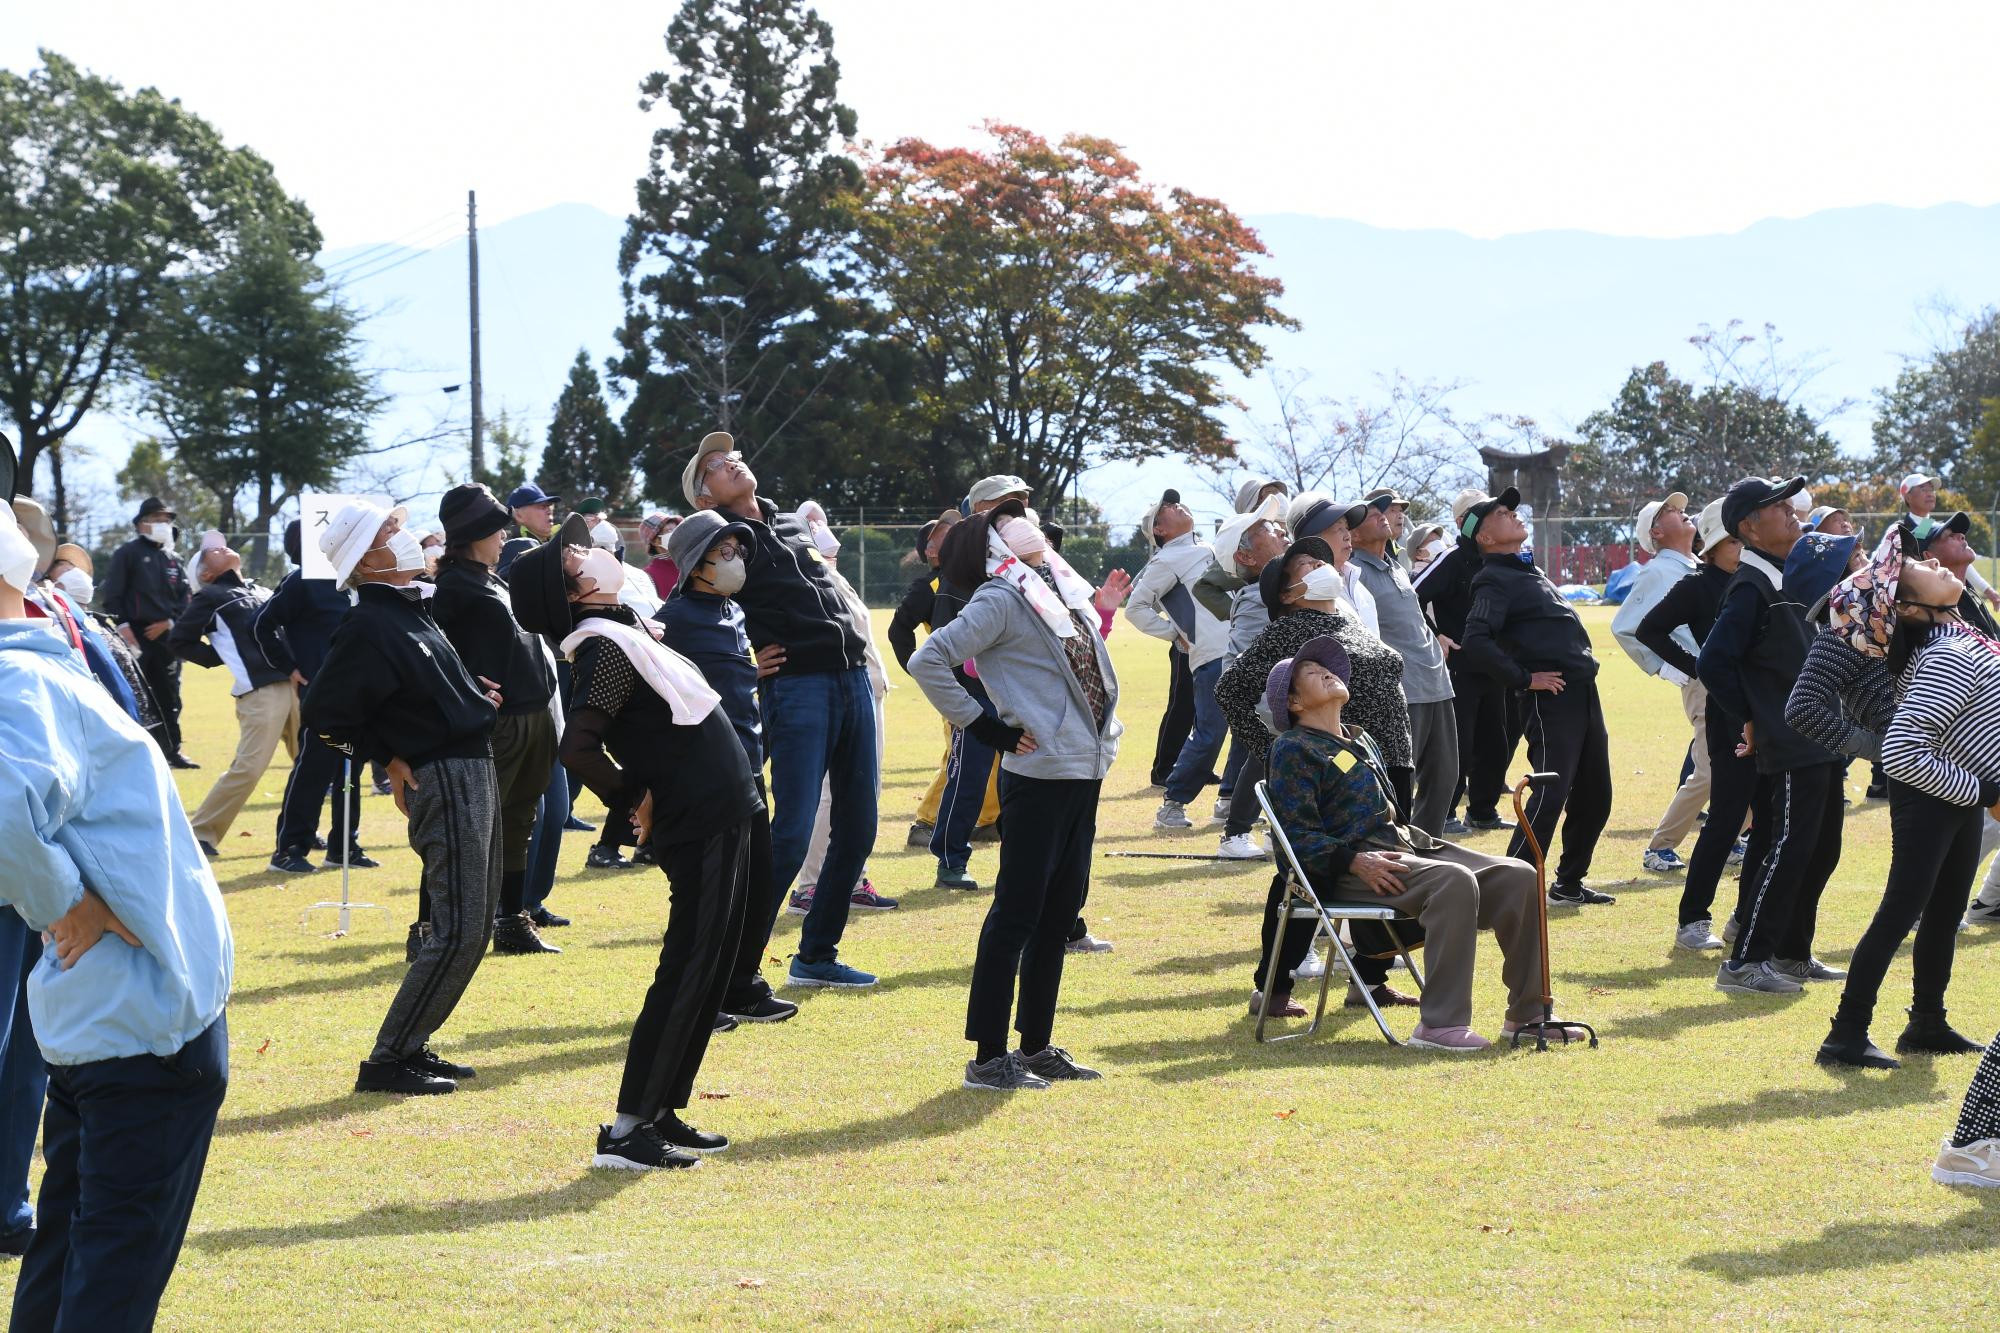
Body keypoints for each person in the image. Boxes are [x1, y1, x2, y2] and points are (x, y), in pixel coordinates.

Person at [0, 504, 233, 1330]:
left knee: (68, 1246)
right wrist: (67, 903)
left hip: (100, 1018)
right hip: (142, 1024)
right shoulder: (21, 677)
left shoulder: (27, 668)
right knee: (111, 1272)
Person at [507, 521, 754, 1168]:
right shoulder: (604, 649)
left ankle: (663, 1109)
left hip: (721, 808)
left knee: (710, 969)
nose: (590, 551)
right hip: (696, 816)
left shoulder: (621, 631)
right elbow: (578, 745)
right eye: (577, 553)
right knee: (687, 968)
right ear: (582, 588)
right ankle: (625, 1130)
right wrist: (630, 798)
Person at [1257, 634, 1576, 1048]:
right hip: (1349, 867)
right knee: (1453, 880)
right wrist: (1355, 862)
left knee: (1519, 874)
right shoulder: (1293, 748)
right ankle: (1439, 1026)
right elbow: (1295, 840)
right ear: (1295, 704)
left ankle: (1528, 1015)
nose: (1328, 673)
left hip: (1406, 847)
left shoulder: (1360, 738)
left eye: (1328, 668)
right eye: (1313, 674)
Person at [909, 505, 1121, 1091]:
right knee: (1018, 915)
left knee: (1058, 914)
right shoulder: (1001, 597)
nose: (1025, 523)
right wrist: (987, 728)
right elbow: (928, 660)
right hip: (1039, 774)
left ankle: (1035, 1046)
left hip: (1083, 768)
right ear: (992, 547)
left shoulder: (1060, 591)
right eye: (1009, 521)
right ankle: (988, 1056)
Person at [301, 501, 502, 1094]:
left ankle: (410, 1045)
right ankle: (387, 1059)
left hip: (471, 766)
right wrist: (386, 756)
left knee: (472, 925)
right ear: (367, 558)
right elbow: (325, 714)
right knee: (460, 927)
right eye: (391, 532)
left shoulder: (409, 609)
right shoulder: (368, 622)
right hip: (446, 777)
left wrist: (469, 692)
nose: (406, 536)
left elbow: (412, 690)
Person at [684, 431, 877, 988]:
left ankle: (816, 955)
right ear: (704, 498)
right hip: (798, 688)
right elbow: (691, 615)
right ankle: (733, 969)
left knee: (859, 826)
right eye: (716, 466)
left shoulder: (790, 521)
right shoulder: (722, 542)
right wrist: (747, 659)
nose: (733, 462)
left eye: (734, 455)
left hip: (851, 678)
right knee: (790, 831)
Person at [1806, 539, 1989, 1069]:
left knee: (1948, 906)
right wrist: (1981, 789)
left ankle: (1927, 1021)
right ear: (1905, 605)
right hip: (1930, 785)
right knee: (1900, 911)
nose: (1934, 561)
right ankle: (1845, 1036)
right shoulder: (1927, 647)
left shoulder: (1953, 627)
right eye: (1918, 567)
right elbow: (1896, 745)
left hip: (1956, 779)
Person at [1217, 535, 1420, 1009]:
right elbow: (1231, 690)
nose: (1320, 566)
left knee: (1385, 864)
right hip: (1332, 771)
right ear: (1288, 594)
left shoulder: (1344, 619)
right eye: (1305, 566)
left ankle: (1369, 980)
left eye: (1319, 561)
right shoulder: (1291, 631)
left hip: (1384, 759)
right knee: (1307, 873)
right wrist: (1277, 750)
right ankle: (1273, 986)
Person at [1698, 476, 1845, 995]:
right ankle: (1744, 964)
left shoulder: (1790, 578)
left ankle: (1791, 954)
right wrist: (1750, 717)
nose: (1792, 512)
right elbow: (1714, 662)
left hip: (1823, 734)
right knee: (1787, 848)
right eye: (1778, 507)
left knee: (1822, 849)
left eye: (1790, 504)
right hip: (1789, 740)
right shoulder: (1751, 584)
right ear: (1748, 526)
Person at [657, 511, 799, 1027]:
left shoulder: (732, 613)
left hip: (747, 768)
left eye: (740, 550)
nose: (736, 559)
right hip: (705, 777)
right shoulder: (670, 622)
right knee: (714, 897)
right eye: (725, 552)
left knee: (758, 886)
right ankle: (699, 996)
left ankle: (740, 986)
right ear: (696, 564)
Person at [1455, 488, 1615, 906]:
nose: (1513, 515)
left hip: (1581, 692)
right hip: (1550, 700)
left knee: (1597, 795)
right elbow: (1476, 640)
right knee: (1549, 794)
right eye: (1502, 514)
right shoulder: (1493, 577)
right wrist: (1524, 679)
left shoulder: (1526, 570)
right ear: (1485, 538)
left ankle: (1567, 883)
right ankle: (1509, 890)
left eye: (1511, 510)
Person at [431, 483, 563, 957]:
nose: (505, 534)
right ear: (474, 534)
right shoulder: (451, 587)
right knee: (469, 827)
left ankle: (510, 922)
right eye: (496, 528)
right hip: (496, 723)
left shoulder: (491, 579)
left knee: (518, 820)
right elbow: (437, 658)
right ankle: (430, 928)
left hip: (533, 714)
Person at [1638, 500, 1753, 951]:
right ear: (1717, 541)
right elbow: (1648, 629)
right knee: (1725, 817)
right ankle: (1693, 922)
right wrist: (1697, 666)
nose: (1744, 546)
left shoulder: (1758, 578)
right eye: (1736, 539)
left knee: (1763, 823)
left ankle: (1746, 920)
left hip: (1767, 714)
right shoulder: (1698, 585)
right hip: (1726, 713)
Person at [786, 501, 898, 915]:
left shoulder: (834, 577)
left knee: (859, 794)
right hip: (842, 696)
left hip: (866, 695)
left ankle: (849, 878)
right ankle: (812, 884)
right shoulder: (807, 581)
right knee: (833, 794)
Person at [168, 531, 300, 860]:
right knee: (250, 768)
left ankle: (302, 831)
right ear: (204, 574)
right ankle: (200, 832)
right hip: (260, 692)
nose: (218, 546)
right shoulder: (210, 595)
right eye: (209, 551)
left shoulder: (261, 589)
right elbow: (179, 640)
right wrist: (219, 658)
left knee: (309, 765)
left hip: (297, 685)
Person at [255, 520, 369, 875]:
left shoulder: (360, 580)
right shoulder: (302, 580)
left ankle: (343, 845)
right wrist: (289, 667)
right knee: (314, 768)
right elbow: (262, 624)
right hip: (321, 691)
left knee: (351, 766)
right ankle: (290, 848)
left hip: (361, 691)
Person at [1349, 491, 1458, 835]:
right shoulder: (1352, 572)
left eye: (1396, 510)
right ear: (1351, 533)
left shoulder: (1396, 565)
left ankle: (1428, 846)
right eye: (1378, 512)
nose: (1389, 515)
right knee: (1401, 778)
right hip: (1402, 688)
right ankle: (1402, 849)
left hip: (1436, 682)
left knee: (1445, 776)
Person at [1610, 492, 1706, 875]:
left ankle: (1736, 834)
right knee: (1712, 768)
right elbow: (1625, 627)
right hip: (1701, 679)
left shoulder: (1697, 564)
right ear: (1656, 532)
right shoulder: (1655, 571)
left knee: (1741, 758)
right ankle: (1660, 846)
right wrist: (1664, 668)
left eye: (1680, 509)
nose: (1680, 513)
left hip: (1725, 675)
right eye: (1669, 512)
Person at [1127, 488, 1231, 831]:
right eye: (1166, 507)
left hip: (1241, 648)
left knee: (1250, 730)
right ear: (1160, 530)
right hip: (1212, 654)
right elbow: (1135, 608)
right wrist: (1175, 633)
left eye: (1174, 502)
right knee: (1210, 732)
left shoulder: (1208, 547)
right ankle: (1172, 804)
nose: (1175, 505)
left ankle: (1229, 800)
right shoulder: (1165, 560)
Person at [1416, 489, 1516, 834]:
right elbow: (1412, 596)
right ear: (1465, 522)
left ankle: (1484, 810)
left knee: (1496, 741)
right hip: (1460, 665)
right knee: (1458, 741)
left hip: (1495, 665)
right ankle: (1444, 812)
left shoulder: (1503, 557)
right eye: (1484, 512)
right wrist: (1436, 634)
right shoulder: (1452, 559)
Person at [1193, 497, 1288, 859]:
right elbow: (1247, 660)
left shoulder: (1277, 588)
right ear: (1246, 557)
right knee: (1265, 755)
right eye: (1265, 529)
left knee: (1273, 759)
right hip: (1265, 696)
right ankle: (1234, 835)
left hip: (1282, 692)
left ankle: (1271, 832)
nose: (1278, 530)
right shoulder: (1254, 598)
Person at [98, 495, 197, 768]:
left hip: (168, 638)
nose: (163, 524)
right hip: (135, 637)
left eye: (166, 520)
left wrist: (170, 624)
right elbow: (113, 595)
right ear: (141, 524)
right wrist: (124, 629)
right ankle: (135, 753)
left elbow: (185, 600)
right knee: (136, 694)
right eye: (157, 519)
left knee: (170, 695)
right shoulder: (127, 554)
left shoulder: (173, 559)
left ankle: (172, 751)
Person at [639, 511, 684, 600]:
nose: (676, 534)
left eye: (677, 529)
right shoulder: (647, 576)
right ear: (654, 541)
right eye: (669, 531)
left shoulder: (691, 566)